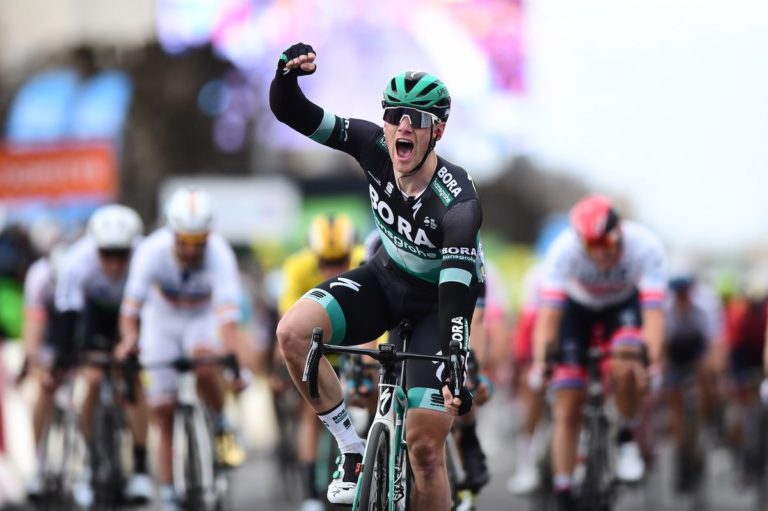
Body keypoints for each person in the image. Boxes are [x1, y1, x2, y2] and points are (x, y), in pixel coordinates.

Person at [271, 43, 483, 508]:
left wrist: (455, 358)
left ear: (438, 130)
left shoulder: (458, 202)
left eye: (417, 118)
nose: (403, 125)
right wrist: (286, 77)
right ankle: (351, 449)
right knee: (292, 333)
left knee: (425, 450)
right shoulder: (372, 145)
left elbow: (456, 291)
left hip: (436, 307)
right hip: (384, 280)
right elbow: (293, 112)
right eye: (393, 114)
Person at [529, 194, 667, 511]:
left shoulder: (645, 246)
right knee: (567, 402)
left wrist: (652, 364)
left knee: (628, 360)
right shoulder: (563, 250)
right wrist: (540, 363)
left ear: (619, 233)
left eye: (607, 244)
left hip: (622, 305)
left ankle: (626, 436)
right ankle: (564, 491)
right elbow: (548, 320)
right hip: (576, 310)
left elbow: (654, 319)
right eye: (592, 246)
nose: (601, 254)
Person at [116, 188, 247, 511]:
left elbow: (228, 321)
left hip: (201, 317)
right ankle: (168, 492)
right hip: (162, 319)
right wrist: (129, 341)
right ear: (171, 233)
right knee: (162, 410)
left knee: (206, 364)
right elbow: (130, 314)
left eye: (198, 242)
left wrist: (235, 364)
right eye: (184, 242)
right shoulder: (150, 251)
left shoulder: (220, 254)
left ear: (208, 236)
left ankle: (219, 422)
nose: (191, 250)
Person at [47, 205, 153, 505]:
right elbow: (68, 315)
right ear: (95, 248)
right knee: (92, 377)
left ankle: (141, 467)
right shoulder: (76, 261)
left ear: (133, 248)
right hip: (94, 314)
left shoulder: (146, 257)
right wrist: (64, 358)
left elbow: (155, 312)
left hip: (133, 314)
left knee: (132, 378)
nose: (115, 263)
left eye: (122, 254)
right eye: (107, 254)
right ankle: (88, 461)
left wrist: (136, 348)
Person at [277, 213, 364, 511]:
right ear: (313, 255)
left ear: (351, 252)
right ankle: (311, 493)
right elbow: (288, 319)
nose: (333, 270)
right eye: (325, 262)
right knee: (309, 412)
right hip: (316, 346)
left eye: (340, 260)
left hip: (352, 345)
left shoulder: (364, 259)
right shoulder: (296, 267)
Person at [662, 268, 724, 492]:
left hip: (697, 350)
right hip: (675, 352)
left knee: (707, 380)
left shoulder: (706, 303)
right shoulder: (666, 307)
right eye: (678, 294)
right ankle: (680, 445)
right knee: (674, 398)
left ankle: (705, 421)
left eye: (685, 293)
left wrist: (713, 372)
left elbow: (715, 342)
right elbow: (661, 346)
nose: (682, 298)